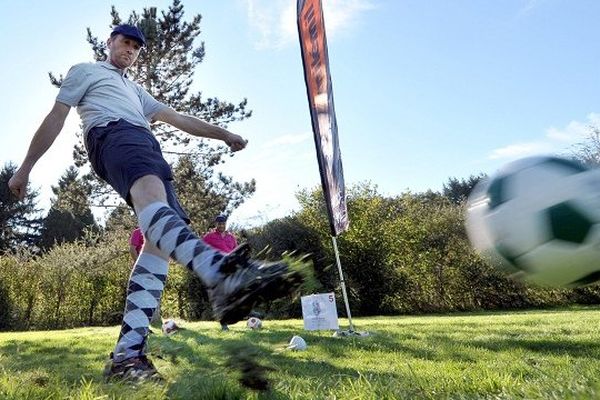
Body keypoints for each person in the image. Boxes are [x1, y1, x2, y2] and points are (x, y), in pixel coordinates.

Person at [8, 24, 301, 381]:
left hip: (147, 146)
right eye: (124, 43)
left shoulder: (137, 91)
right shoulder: (86, 71)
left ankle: (127, 358)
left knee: (158, 243)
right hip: (112, 134)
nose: (129, 50)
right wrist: (25, 168)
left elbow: (178, 118)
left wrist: (224, 134)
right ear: (110, 43)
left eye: (135, 47)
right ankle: (218, 271)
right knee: (149, 195)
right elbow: (57, 116)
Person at [203, 214, 238, 331]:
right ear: (216, 224)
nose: (221, 225)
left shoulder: (231, 238)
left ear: (225, 224)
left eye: (223, 223)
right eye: (219, 223)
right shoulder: (209, 237)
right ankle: (224, 323)